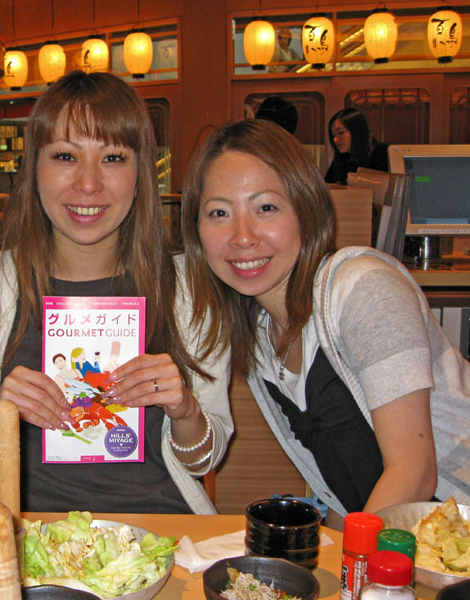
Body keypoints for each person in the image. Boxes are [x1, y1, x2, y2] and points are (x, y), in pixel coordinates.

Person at [0, 70, 233, 514]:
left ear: (141, 172)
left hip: (156, 532)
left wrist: (185, 409)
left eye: (113, 158)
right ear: (34, 166)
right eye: (64, 156)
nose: (88, 184)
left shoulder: (188, 289)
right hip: (22, 534)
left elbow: (205, 459)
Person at [181, 118, 470, 526]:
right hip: (398, 547)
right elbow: (344, 491)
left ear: (305, 209)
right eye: (219, 213)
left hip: (452, 537)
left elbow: (415, 474)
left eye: (266, 208)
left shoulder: (363, 289)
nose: (242, 236)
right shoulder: (260, 334)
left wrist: (347, 581)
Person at [325, 107, 389, 185]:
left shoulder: (382, 153)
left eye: (341, 132)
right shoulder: (342, 157)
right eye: (333, 135)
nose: (335, 139)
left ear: (356, 131)